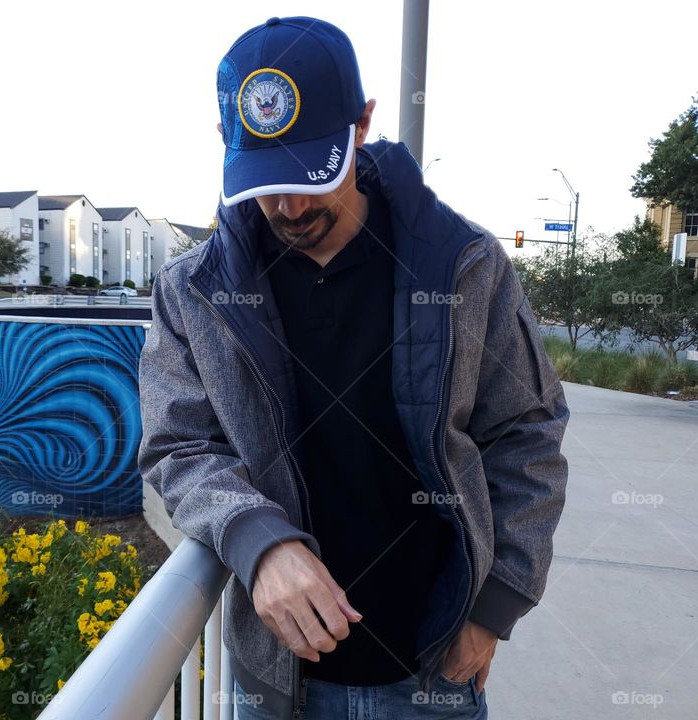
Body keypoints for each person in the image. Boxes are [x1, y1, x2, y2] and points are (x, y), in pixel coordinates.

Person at [138, 15, 569, 720]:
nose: (291, 205)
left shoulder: (464, 265)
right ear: (226, 143)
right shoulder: (194, 291)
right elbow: (176, 443)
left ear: (363, 123)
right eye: (267, 180)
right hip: (277, 683)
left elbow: (527, 431)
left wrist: (496, 607)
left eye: (313, 174)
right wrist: (257, 539)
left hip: (435, 672)